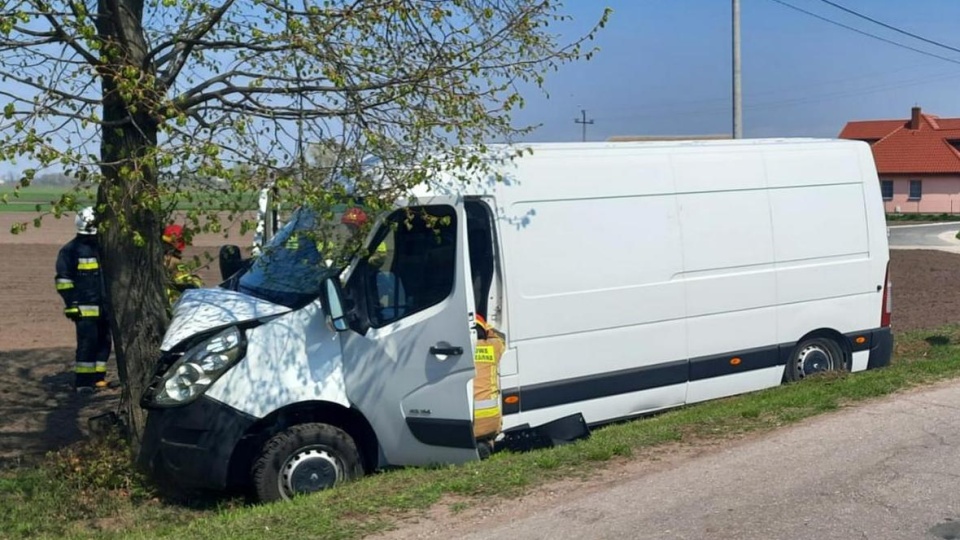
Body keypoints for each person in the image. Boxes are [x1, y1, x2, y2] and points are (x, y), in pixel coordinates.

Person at [55, 206, 112, 394]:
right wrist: (71, 304)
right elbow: (63, 281)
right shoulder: (70, 251)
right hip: (84, 309)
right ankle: (83, 382)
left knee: (104, 342)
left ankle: (98, 378)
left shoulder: (105, 248)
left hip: (104, 307)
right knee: (88, 343)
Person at [162, 224, 203, 306]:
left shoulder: (156, 257)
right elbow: (186, 283)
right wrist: (196, 278)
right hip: (172, 304)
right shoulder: (175, 262)